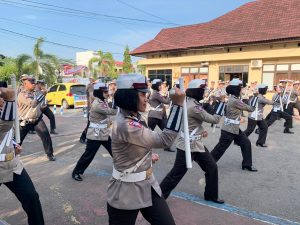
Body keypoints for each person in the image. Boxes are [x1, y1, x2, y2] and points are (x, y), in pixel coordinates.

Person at [107, 74, 185, 225]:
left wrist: (148, 157)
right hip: (125, 191)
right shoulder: (126, 125)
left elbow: (136, 145)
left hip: (148, 185)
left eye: (146, 93)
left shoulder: (135, 117)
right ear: (129, 97)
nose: (146, 98)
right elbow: (165, 140)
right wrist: (178, 106)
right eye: (142, 94)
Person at [160, 79, 224, 204]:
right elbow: (214, 119)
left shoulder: (188, 102)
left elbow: (191, 123)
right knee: (175, 175)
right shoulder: (194, 107)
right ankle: (158, 199)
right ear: (197, 91)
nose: (203, 93)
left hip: (196, 144)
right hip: (187, 146)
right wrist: (221, 104)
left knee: (211, 167)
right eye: (201, 90)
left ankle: (211, 195)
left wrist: (200, 132)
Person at [0, 84, 45, 225]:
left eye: (2, 96)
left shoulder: (4, 109)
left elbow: (5, 133)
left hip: (11, 164)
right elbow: (4, 125)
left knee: (31, 197)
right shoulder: (8, 107)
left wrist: (13, 144)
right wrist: (11, 100)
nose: (2, 99)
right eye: (1, 96)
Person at [72, 82, 117, 181]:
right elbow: (111, 112)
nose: (107, 93)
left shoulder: (102, 101)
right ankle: (76, 172)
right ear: (99, 92)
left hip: (103, 133)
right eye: (104, 92)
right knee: (88, 155)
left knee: (114, 151)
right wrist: (116, 100)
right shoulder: (97, 104)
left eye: (106, 91)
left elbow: (108, 114)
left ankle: (122, 169)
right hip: (95, 135)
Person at [211, 78, 258, 172]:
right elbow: (250, 108)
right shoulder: (235, 100)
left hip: (234, 128)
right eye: (241, 88)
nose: (242, 90)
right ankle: (208, 162)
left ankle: (247, 164)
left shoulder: (234, 99)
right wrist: (256, 97)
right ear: (236, 89)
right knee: (220, 148)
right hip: (229, 129)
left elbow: (234, 112)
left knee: (246, 143)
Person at [17, 75, 56, 161]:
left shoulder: (36, 93)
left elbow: (39, 105)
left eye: (34, 82)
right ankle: (11, 157)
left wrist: (43, 107)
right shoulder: (22, 95)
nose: (34, 84)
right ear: (25, 84)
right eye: (32, 82)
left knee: (46, 135)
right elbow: (33, 104)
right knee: (17, 141)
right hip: (25, 121)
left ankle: (50, 154)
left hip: (37, 119)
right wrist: (43, 94)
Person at [147, 79, 174, 152]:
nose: (161, 86)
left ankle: (167, 146)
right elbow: (166, 102)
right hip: (154, 116)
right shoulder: (156, 94)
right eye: (159, 85)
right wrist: (171, 95)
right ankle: (144, 147)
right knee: (148, 133)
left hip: (158, 116)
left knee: (167, 130)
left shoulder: (157, 93)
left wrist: (166, 94)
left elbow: (163, 100)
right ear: (156, 86)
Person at [79, 77, 95, 144]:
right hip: (92, 108)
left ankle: (94, 138)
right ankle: (82, 138)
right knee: (89, 124)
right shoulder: (90, 86)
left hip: (93, 107)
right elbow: (92, 97)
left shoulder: (91, 86)